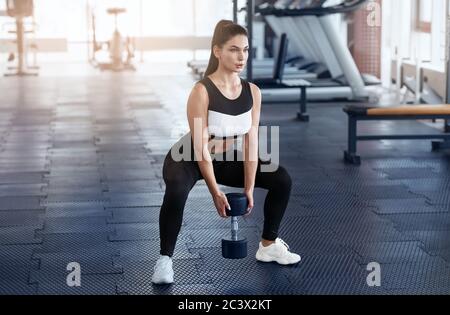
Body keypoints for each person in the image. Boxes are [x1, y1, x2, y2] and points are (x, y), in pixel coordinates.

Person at [152, 20, 301, 285]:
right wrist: (215, 193)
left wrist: (249, 187)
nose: (241, 56)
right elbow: (200, 149)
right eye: (234, 49)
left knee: (281, 179)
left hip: (223, 158)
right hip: (187, 159)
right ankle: (164, 260)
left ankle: (268, 245)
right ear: (217, 51)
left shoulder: (252, 92)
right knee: (176, 189)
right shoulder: (201, 91)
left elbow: (251, 142)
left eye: (245, 49)